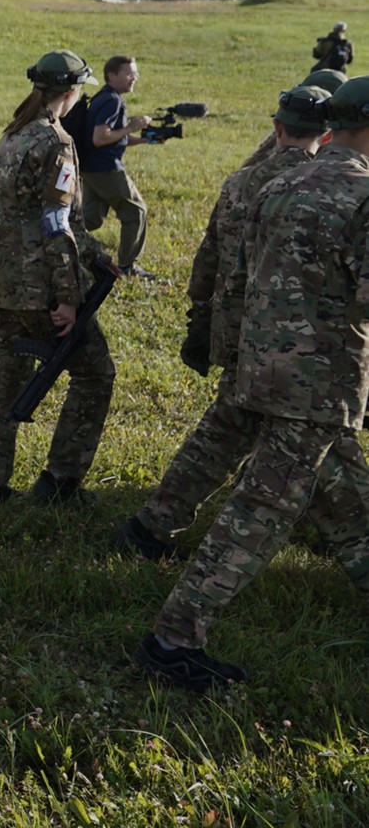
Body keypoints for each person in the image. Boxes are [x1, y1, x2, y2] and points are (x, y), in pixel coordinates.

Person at [135, 78, 369, 689]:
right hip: (317, 383)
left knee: (343, 486)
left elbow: (240, 275)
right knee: (262, 507)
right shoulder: (363, 196)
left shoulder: (278, 182)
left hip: (261, 368)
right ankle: (173, 638)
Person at [121, 87, 331, 562]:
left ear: (277, 128)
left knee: (222, 434)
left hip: (238, 336)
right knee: (316, 451)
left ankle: (151, 525)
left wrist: (201, 327)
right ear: (329, 135)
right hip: (300, 349)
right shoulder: (324, 190)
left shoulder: (241, 183)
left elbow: (207, 264)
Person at [0, 51, 115, 504]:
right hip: (41, 293)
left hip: (1, 286)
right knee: (95, 375)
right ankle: (61, 482)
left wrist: (95, 253)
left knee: (2, 386)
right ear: (72, 93)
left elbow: (39, 215)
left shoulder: (14, 135)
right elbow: (55, 223)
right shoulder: (57, 143)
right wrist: (69, 297)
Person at [78, 55, 154, 279]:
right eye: (129, 74)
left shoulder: (105, 97)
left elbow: (113, 137)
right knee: (135, 211)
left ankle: (53, 243)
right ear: (112, 75)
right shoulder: (112, 100)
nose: (134, 78)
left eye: (136, 74)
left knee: (91, 218)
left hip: (91, 168)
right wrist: (132, 126)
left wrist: (143, 139)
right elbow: (100, 138)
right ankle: (127, 266)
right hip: (106, 168)